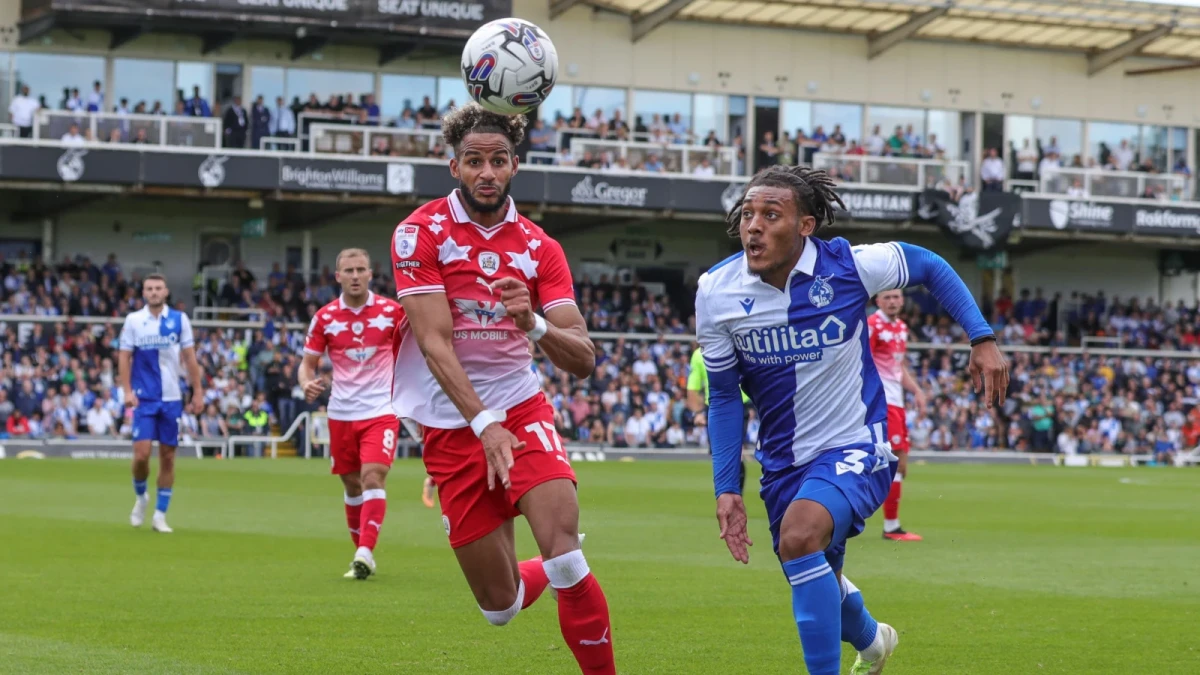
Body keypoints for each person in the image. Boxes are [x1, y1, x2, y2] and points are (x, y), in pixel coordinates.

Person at [695, 165, 1007, 675]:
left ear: (805, 226)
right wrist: (726, 486)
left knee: (799, 538)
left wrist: (982, 336)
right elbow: (725, 397)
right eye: (748, 213)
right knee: (817, 575)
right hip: (782, 464)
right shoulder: (715, 292)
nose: (753, 225)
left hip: (858, 444)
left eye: (771, 215)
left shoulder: (849, 266)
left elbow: (927, 263)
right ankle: (874, 642)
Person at [391, 102, 615, 674]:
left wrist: (533, 323)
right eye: (474, 161)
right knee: (501, 606)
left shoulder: (541, 248)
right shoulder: (419, 233)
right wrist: (482, 424)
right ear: (454, 167)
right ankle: (529, 574)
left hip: (521, 409)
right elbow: (435, 342)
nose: (486, 172)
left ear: (515, 166)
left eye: (498, 161)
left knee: (566, 555)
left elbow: (584, 358)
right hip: (453, 425)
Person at [298, 248, 406, 580]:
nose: (355, 275)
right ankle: (363, 556)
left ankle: (364, 551)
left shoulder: (393, 312)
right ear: (338, 276)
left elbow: (417, 350)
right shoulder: (326, 317)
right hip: (342, 412)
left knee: (373, 475)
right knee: (350, 483)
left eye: (361, 269)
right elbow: (307, 365)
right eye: (349, 270)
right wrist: (305, 384)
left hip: (381, 410)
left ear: (371, 275)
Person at [119, 274, 204, 534]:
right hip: (144, 397)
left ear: (166, 292)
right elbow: (124, 357)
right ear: (143, 293)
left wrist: (198, 391)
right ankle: (141, 496)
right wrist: (126, 391)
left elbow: (189, 358)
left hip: (172, 398)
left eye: (158, 288)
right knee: (141, 454)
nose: (154, 292)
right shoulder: (134, 320)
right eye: (149, 288)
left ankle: (159, 515)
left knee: (168, 456)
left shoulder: (179, 320)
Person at [868, 289, 926, 542]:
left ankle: (891, 524)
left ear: (902, 301)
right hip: (883, 402)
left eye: (896, 297)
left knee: (900, 464)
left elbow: (898, 367)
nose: (892, 301)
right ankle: (891, 527)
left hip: (897, 402)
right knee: (895, 461)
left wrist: (917, 391)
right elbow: (861, 362)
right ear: (877, 301)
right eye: (887, 297)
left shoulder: (901, 327)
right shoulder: (872, 325)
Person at [686, 346, 751, 492]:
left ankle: (732, 496)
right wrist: (697, 412)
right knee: (726, 455)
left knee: (728, 455)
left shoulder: (699, 354)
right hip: (729, 405)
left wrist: (697, 413)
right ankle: (732, 496)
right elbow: (692, 389)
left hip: (721, 406)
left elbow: (691, 389)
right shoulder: (741, 346)